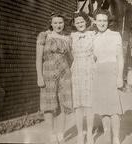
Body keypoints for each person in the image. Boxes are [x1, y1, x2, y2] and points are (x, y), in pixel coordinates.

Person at [36, 11, 73, 143]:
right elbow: (38, 58)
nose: (58, 25)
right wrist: (39, 76)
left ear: (64, 24)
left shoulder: (68, 38)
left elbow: (71, 58)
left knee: (64, 103)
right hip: (48, 73)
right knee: (49, 105)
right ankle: (52, 134)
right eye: (56, 23)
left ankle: (61, 133)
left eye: (61, 22)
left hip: (65, 73)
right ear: (51, 24)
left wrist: (68, 70)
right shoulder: (44, 36)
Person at [92, 9, 124, 144]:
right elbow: (92, 58)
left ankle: (116, 137)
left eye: (104, 20)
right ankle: (107, 136)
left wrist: (120, 76)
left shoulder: (115, 35)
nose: (102, 23)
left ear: (108, 21)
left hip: (112, 70)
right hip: (99, 72)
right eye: (99, 20)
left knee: (114, 107)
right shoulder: (93, 37)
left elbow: (120, 57)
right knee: (103, 108)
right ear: (95, 22)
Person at [70, 11, 96, 144]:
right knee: (78, 105)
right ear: (74, 24)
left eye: (82, 21)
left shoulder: (92, 34)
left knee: (89, 104)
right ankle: (80, 134)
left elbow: (100, 24)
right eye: (77, 22)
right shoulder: (72, 36)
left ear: (86, 21)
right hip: (77, 71)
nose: (80, 24)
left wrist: (91, 19)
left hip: (89, 70)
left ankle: (90, 133)